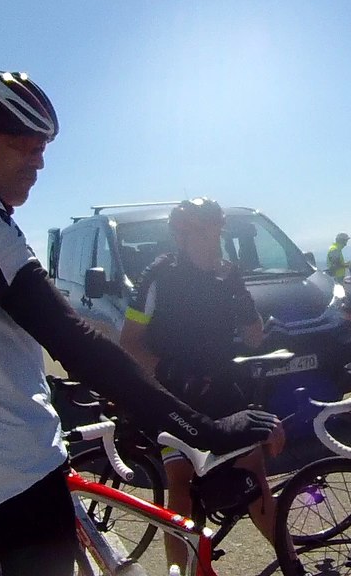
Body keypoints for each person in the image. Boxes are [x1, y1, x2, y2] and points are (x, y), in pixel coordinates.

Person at [0, 70, 278, 576]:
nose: (38, 161)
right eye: (23, 143)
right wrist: (203, 429)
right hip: (15, 477)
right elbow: (77, 340)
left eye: (42, 147)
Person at [118, 197, 287, 573]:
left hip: (224, 388)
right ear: (181, 236)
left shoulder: (228, 273)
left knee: (254, 477)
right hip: (173, 395)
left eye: (216, 230)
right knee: (181, 482)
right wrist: (172, 373)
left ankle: (291, 565)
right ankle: (184, 570)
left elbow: (254, 336)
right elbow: (129, 342)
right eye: (202, 232)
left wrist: (244, 302)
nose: (212, 239)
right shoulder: (158, 276)